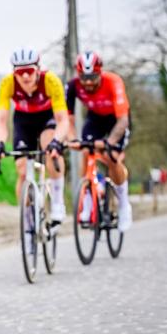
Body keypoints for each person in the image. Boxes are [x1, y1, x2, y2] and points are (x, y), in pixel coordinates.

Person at [0, 47, 69, 223]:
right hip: (23, 120)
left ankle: (57, 202)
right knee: (22, 170)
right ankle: (26, 218)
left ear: (38, 69)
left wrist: (57, 141)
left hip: (47, 118)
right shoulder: (7, 83)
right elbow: (1, 121)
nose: (25, 76)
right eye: (20, 72)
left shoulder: (51, 81)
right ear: (14, 73)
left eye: (29, 71)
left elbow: (63, 120)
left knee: (49, 146)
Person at [66, 51, 133, 231]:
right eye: (84, 78)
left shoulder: (113, 81)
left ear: (100, 73)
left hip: (117, 121)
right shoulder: (73, 86)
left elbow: (123, 120)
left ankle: (124, 204)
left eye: (93, 77)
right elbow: (67, 119)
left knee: (112, 158)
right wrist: (73, 140)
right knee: (86, 150)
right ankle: (87, 200)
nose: (88, 82)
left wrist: (110, 142)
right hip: (95, 118)